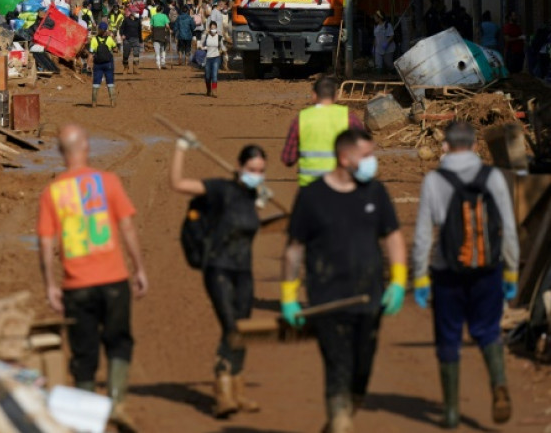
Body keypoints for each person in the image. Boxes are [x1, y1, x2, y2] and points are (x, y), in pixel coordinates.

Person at [281, 128, 407, 433]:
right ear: (344, 157)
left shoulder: (375, 192)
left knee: (362, 367)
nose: (372, 162)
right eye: (366, 156)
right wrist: (288, 294)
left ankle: (347, 410)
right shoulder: (312, 196)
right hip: (328, 299)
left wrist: (399, 281)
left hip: (369, 298)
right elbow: (294, 248)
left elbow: (392, 236)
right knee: (337, 364)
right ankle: (339, 420)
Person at [37, 124, 148, 432]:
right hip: (113, 281)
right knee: (119, 341)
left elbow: (46, 244)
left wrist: (49, 285)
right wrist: (139, 268)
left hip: (76, 287)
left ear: (61, 152)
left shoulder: (53, 192)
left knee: (83, 353)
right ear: (86, 146)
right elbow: (127, 228)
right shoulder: (107, 182)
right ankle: (117, 402)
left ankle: (88, 417)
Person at [411, 121, 518, 429]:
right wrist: (510, 273)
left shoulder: (434, 180)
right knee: (487, 330)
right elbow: (508, 229)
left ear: (446, 144)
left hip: (447, 271)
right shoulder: (493, 176)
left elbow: (422, 235)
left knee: (449, 337)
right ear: (474, 145)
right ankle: (498, 382)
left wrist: (420, 277)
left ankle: (451, 412)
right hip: (488, 269)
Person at [170, 139, 265, 417]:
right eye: (251, 169)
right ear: (239, 167)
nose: (256, 174)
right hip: (218, 269)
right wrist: (180, 149)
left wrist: (259, 197)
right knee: (231, 327)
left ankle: (238, 390)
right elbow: (177, 184)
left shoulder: (253, 196)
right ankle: (223, 392)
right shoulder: (219, 189)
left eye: (260, 170)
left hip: (244, 272)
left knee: (243, 329)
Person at [281, 77, 364, 187]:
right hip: (341, 184)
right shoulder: (349, 118)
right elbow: (364, 150)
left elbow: (288, 158)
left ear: (314, 95)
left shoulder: (301, 119)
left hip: (310, 187)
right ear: (336, 96)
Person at [89, 23, 119, 107]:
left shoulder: (94, 40)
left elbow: (91, 53)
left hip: (98, 64)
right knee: (110, 82)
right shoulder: (109, 39)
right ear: (106, 30)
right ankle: (112, 102)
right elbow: (116, 49)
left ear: (98, 29)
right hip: (108, 64)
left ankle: (94, 102)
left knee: (96, 83)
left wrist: (88, 64)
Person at [200, 21, 225, 97]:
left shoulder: (219, 37)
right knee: (207, 76)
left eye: (214, 28)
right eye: (212, 28)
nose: (213, 29)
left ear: (216, 28)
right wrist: (203, 47)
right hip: (208, 58)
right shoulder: (206, 36)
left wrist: (222, 51)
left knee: (214, 75)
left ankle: (214, 91)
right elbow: (200, 44)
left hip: (216, 57)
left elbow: (222, 47)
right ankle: (208, 90)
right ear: (210, 28)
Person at [120, 9, 143, 75]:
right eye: (136, 12)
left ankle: (135, 68)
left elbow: (139, 30)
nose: (137, 13)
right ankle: (126, 67)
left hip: (136, 39)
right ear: (132, 13)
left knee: (136, 54)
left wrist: (141, 40)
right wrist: (122, 35)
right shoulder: (126, 20)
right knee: (126, 55)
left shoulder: (138, 20)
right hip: (127, 39)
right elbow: (121, 29)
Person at [150, 5, 171, 70]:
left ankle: (158, 64)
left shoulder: (153, 17)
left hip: (155, 34)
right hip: (163, 34)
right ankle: (163, 63)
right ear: (161, 10)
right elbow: (167, 26)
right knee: (163, 49)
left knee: (157, 50)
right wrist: (169, 30)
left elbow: (151, 27)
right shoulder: (164, 16)